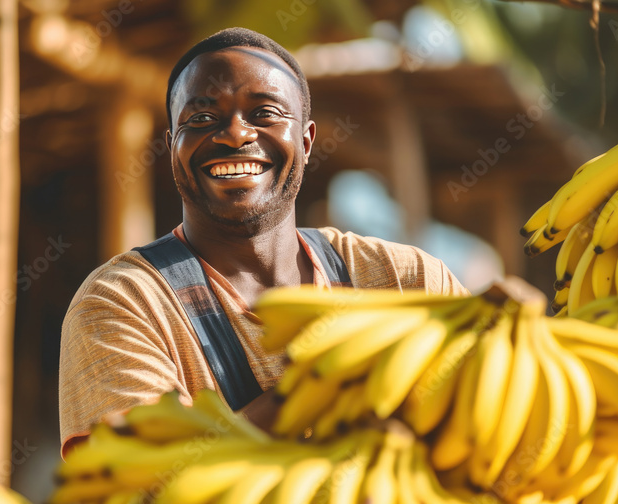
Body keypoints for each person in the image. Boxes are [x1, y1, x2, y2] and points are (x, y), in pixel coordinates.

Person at [58, 27, 468, 455]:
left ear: (306, 143)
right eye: (201, 119)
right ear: (171, 146)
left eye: (265, 113)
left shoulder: (409, 284)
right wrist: (322, 385)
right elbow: (138, 494)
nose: (235, 135)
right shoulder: (122, 304)